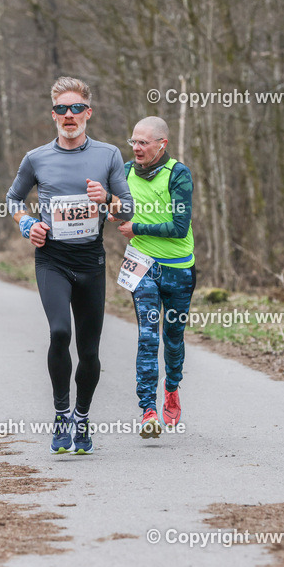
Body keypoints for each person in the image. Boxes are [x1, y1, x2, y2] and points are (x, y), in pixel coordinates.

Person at [6, 76, 134, 455]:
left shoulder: (109, 154)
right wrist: (28, 224)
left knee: (90, 350)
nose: (69, 115)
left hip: (91, 259)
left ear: (88, 113)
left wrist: (107, 197)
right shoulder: (36, 157)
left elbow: (126, 210)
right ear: (53, 115)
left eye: (76, 108)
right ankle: (61, 414)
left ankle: (82, 417)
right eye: (62, 109)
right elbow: (12, 200)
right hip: (52, 258)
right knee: (60, 332)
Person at [114, 117, 196, 438]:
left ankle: (172, 388)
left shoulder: (178, 174)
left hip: (179, 269)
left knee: (172, 339)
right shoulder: (124, 171)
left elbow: (179, 227)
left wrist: (136, 227)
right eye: (133, 141)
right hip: (141, 264)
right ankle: (148, 409)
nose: (136, 148)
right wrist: (114, 210)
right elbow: (119, 206)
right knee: (148, 336)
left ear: (161, 144)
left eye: (143, 143)